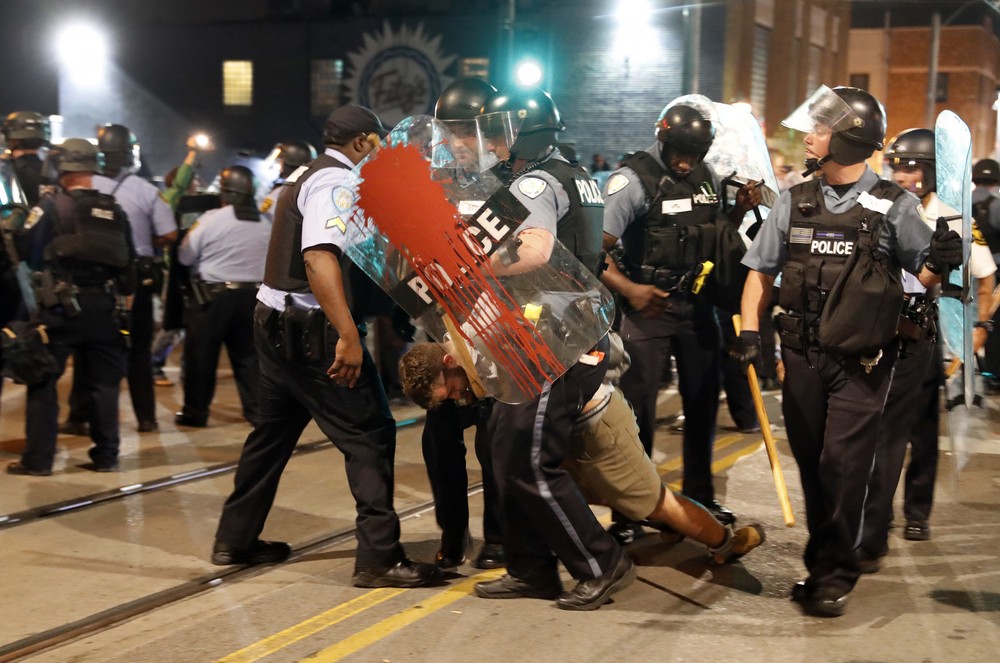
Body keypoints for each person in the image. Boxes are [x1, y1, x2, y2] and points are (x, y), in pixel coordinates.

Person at [731, 86, 963, 618]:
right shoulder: (794, 199)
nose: (808, 137)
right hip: (802, 356)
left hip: (862, 361)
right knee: (813, 464)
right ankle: (823, 564)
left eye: (818, 129)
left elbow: (918, 280)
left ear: (849, 139)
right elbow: (760, 270)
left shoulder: (895, 205)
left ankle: (837, 572)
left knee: (844, 464)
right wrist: (749, 329)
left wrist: (940, 261)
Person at [211, 104, 440, 589]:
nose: (383, 150)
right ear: (361, 142)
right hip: (312, 331)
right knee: (370, 432)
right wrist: (349, 337)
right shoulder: (336, 182)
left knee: (270, 435)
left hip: (275, 322)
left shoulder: (309, 174)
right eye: (378, 141)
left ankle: (235, 538)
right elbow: (318, 259)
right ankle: (379, 557)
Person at [468, 85, 634, 611]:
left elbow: (535, 252)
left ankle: (601, 561)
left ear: (523, 135)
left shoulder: (536, 184)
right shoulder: (576, 175)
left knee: (531, 458)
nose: (491, 146)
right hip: (556, 330)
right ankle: (531, 568)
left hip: (556, 338)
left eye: (498, 135)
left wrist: (471, 267)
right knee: (505, 448)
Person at [399, 337, 766, 566]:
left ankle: (726, 541)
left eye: (452, 390)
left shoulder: (486, 343)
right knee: (581, 495)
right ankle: (665, 525)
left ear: (448, 362)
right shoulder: (465, 352)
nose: (460, 398)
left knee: (656, 501)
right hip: (570, 429)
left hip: (598, 424)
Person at [598, 94, 761, 543]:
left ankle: (701, 498)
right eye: (679, 155)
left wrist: (740, 211)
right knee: (637, 415)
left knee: (704, 403)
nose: (685, 164)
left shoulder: (707, 176)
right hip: (646, 310)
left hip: (697, 307)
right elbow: (594, 250)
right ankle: (631, 512)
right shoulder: (631, 181)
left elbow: (705, 232)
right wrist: (630, 290)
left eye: (693, 156)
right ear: (663, 142)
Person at [860, 129, 996, 558]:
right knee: (873, 432)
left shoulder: (953, 218)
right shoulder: (882, 206)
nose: (902, 173)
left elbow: (987, 279)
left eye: (911, 166)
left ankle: (917, 511)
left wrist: (978, 329)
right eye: (897, 165)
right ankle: (872, 517)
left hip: (925, 334)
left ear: (932, 172)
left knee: (920, 430)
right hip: (875, 331)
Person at [415, 76, 506, 570]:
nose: (456, 143)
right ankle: (453, 532)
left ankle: (498, 536)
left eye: (465, 131)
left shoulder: (514, 181)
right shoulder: (435, 185)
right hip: (446, 329)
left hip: (501, 333)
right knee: (440, 442)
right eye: (448, 132)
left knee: (495, 443)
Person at [6, 138, 135, 476]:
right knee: (104, 385)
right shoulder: (114, 209)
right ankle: (106, 455)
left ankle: (38, 460)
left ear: (63, 167)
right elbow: (128, 266)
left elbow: (25, 249)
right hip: (105, 308)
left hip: (60, 309)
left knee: (42, 380)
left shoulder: (51, 207)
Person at [62, 123, 177, 434]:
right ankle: (146, 418)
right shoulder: (146, 190)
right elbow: (169, 233)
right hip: (133, 278)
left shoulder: (81, 185)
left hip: (89, 280)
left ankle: (78, 418)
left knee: (88, 351)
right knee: (138, 351)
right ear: (129, 154)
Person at [174, 165, 271, 427]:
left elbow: (185, 256)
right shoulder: (266, 222)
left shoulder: (211, 218)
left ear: (225, 193)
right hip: (254, 297)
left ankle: (196, 413)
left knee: (201, 357)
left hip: (213, 299)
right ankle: (256, 412)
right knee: (250, 359)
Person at [970, 158, 1000, 392]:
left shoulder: (962, 203)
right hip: (994, 275)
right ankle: (992, 373)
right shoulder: (997, 205)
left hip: (964, 272)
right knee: (994, 323)